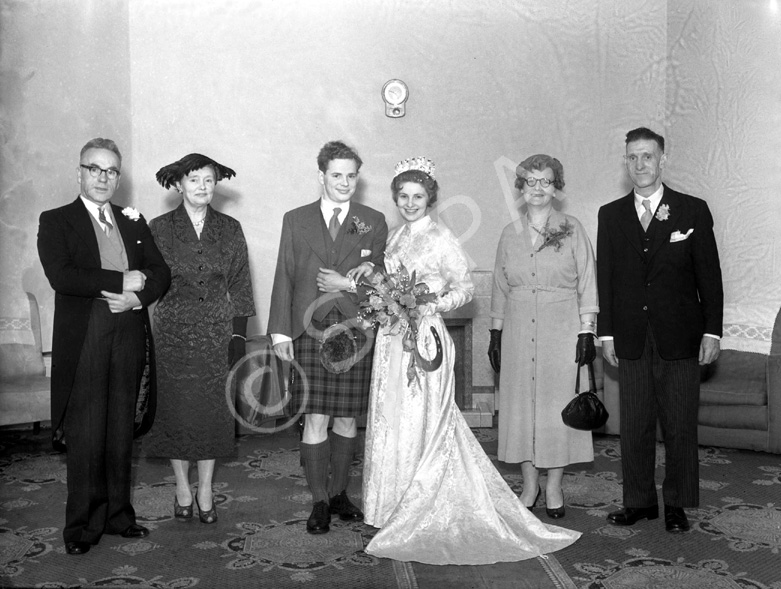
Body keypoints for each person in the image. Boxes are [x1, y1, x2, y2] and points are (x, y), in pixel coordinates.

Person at [361, 157, 580, 565]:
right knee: (393, 417)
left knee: (424, 417)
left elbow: (465, 289)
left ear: (431, 198)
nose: (411, 203)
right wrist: (385, 301)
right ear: (396, 198)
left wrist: (429, 306)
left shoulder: (441, 237)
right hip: (392, 339)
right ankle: (391, 503)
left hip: (425, 340)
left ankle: (425, 500)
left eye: (419, 196)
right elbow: (384, 283)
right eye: (404, 196)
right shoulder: (392, 237)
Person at [37, 138, 171, 555]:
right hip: (87, 336)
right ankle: (81, 528)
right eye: (95, 168)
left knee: (119, 429)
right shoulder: (57, 220)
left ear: (118, 178)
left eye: (111, 171)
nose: (103, 177)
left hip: (129, 330)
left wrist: (137, 297)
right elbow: (63, 276)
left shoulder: (132, 221)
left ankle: (118, 516)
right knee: (87, 432)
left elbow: (161, 272)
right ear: (79, 172)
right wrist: (120, 281)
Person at [597, 127, 723, 533]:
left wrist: (712, 332)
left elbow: (710, 278)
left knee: (680, 423)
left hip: (682, 336)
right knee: (634, 424)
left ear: (662, 160)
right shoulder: (610, 214)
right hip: (631, 337)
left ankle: (676, 504)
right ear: (626, 162)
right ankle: (638, 501)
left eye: (647, 156)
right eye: (632, 158)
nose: (640, 165)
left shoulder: (692, 210)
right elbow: (607, 279)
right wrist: (607, 334)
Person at [268, 141, 387, 534]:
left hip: (355, 333)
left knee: (348, 419)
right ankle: (319, 500)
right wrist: (280, 331)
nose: (345, 182)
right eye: (337, 174)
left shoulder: (372, 220)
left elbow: (383, 286)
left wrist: (345, 286)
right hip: (308, 331)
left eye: (351, 175)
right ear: (321, 176)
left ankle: (339, 494)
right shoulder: (296, 219)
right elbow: (284, 275)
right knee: (316, 418)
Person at [143, 154, 255, 524]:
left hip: (216, 332)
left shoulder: (230, 228)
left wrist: (238, 335)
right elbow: (148, 281)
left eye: (209, 180)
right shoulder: (158, 228)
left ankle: (205, 488)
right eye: (194, 180)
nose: (202, 187)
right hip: (172, 331)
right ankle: (180, 486)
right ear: (178, 184)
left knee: (211, 414)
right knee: (175, 411)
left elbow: (240, 283)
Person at [489, 154, 598, 519]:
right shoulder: (509, 233)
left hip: (561, 330)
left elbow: (587, 283)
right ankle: (529, 484)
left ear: (557, 187)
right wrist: (495, 333)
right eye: (530, 182)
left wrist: (587, 331)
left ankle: (553, 486)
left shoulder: (572, 228)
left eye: (546, 181)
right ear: (520, 188)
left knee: (555, 410)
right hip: (518, 330)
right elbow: (499, 287)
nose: (538, 188)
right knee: (521, 408)